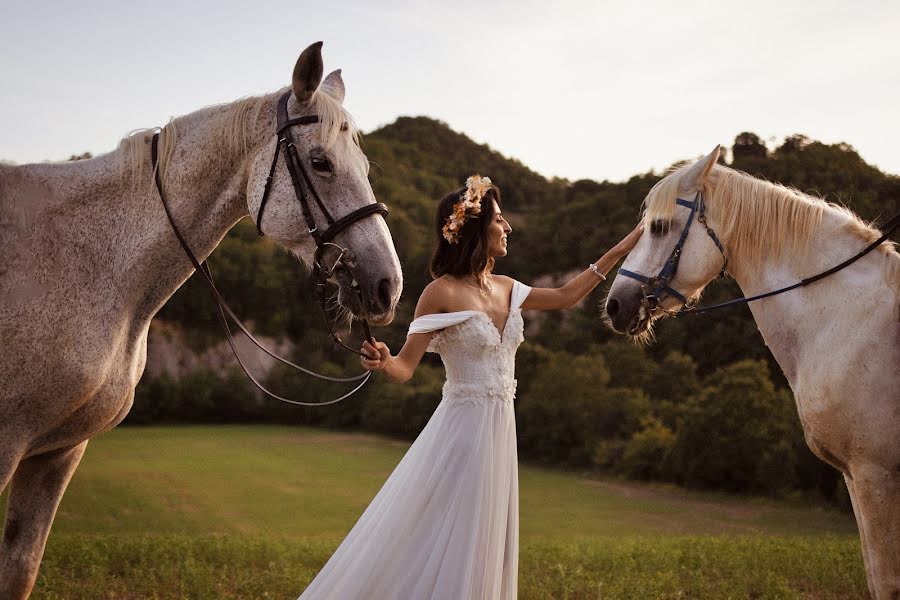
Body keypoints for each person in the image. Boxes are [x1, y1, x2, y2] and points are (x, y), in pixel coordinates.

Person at [297, 175, 643, 599]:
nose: (508, 228)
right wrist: (384, 361)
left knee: (488, 539)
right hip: (460, 436)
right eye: (499, 219)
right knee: (450, 536)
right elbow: (405, 367)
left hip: (501, 433)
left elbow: (569, 295)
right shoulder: (439, 293)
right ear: (476, 228)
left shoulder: (508, 288)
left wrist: (623, 249)